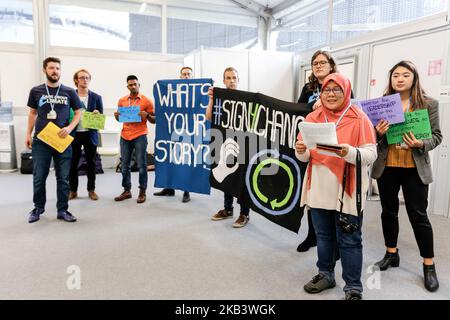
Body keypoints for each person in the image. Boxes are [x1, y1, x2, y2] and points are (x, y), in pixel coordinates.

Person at [295, 73, 376, 300]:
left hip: (347, 191)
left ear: (346, 91)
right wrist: (301, 152)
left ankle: (353, 287)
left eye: (336, 90)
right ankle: (325, 274)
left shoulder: (359, 118)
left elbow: (370, 154)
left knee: (350, 239)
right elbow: (305, 155)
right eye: (327, 90)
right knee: (323, 235)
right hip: (319, 187)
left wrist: (348, 152)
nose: (331, 94)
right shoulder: (312, 117)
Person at [371, 60, 442, 292]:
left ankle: (428, 265)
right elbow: (373, 138)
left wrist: (421, 143)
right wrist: (377, 132)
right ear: (390, 79)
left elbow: (437, 137)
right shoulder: (382, 105)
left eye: (405, 75)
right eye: (395, 75)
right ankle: (392, 254)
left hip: (414, 169)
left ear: (414, 78)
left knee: (418, 216)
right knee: (388, 212)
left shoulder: (429, 104)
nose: (399, 79)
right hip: (387, 167)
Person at [26, 57, 82, 223]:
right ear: (45, 70)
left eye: (57, 68)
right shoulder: (36, 91)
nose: (55, 71)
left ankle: (63, 210)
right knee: (39, 176)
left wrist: (70, 128)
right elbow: (32, 113)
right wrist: (28, 134)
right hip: (41, 141)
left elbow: (78, 112)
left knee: (63, 178)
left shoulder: (69, 92)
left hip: (62, 141)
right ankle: (38, 208)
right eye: (51, 68)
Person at [296, 50, 338, 252]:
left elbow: (349, 109)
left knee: (331, 194)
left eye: (322, 62)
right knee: (311, 195)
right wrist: (313, 106)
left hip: (333, 147)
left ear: (331, 65)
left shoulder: (339, 84)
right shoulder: (308, 87)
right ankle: (312, 235)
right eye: (315, 63)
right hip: (313, 146)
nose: (318, 65)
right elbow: (298, 110)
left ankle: (334, 239)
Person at [206, 67, 250, 228]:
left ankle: (244, 214)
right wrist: (211, 99)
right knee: (227, 174)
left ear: (238, 80)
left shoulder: (246, 98)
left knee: (243, 179)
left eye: (234, 78)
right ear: (223, 80)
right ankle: (228, 209)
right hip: (225, 142)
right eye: (228, 78)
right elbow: (209, 117)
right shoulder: (219, 98)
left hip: (244, 142)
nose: (231, 80)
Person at [153, 66, 192, 203]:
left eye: (188, 74)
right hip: (171, 129)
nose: (186, 76)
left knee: (185, 161)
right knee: (169, 159)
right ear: (180, 76)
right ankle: (169, 188)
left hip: (187, 131)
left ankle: (186, 191)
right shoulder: (173, 90)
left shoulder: (196, 91)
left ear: (192, 77)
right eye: (184, 74)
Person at [114, 75, 154, 204]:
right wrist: (116, 116)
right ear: (127, 86)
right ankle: (127, 190)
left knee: (142, 165)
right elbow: (121, 119)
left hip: (140, 135)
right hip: (125, 135)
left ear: (139, 85)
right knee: (125, 166)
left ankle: (142, 191)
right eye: (130, 85)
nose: (133, 86)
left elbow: (155, 120)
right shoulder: (122, 101)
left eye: (135, 84)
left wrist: (147, 115)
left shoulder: (147, 101)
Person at [68, 69, 104, 201]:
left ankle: (91, 190)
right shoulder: (70, 96)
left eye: (87, 77)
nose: (85, 80)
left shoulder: (96, 97)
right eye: (82, 77)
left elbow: (101, 115)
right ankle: (73, 190)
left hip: (90, 134)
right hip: (74, 134)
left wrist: (97, 113)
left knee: (91, 164)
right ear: (76, 80)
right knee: (72, 164)